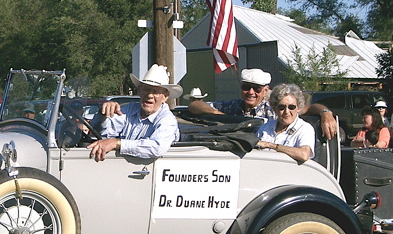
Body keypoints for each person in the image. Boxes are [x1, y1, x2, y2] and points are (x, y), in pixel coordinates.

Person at [188, 68, 337, 139]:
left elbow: (310, 108)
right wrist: (218, 115)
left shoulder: (277, 109)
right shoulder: (232, 107)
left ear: (266, 90)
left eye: (257, 89)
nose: (251, 92)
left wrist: (326, 113)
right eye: (246, 87)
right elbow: (195, 105)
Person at [88, 64, 181, 162]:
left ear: (165, 97)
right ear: (139, 91)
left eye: (156, 92)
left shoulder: (167, 119)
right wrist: (103, 113)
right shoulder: (129, 110)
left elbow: (157, 147)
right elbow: (104, 131)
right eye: (146, 89)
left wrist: (116, 143)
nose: (149, 95)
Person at [256, 84, 316, 163]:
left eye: (291, 107)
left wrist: (271, 145)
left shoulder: (305, 128)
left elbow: (304, 155)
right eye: (281, 107)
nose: (286, 112)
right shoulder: (265, 128)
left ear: (298, 108)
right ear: (274, 109)